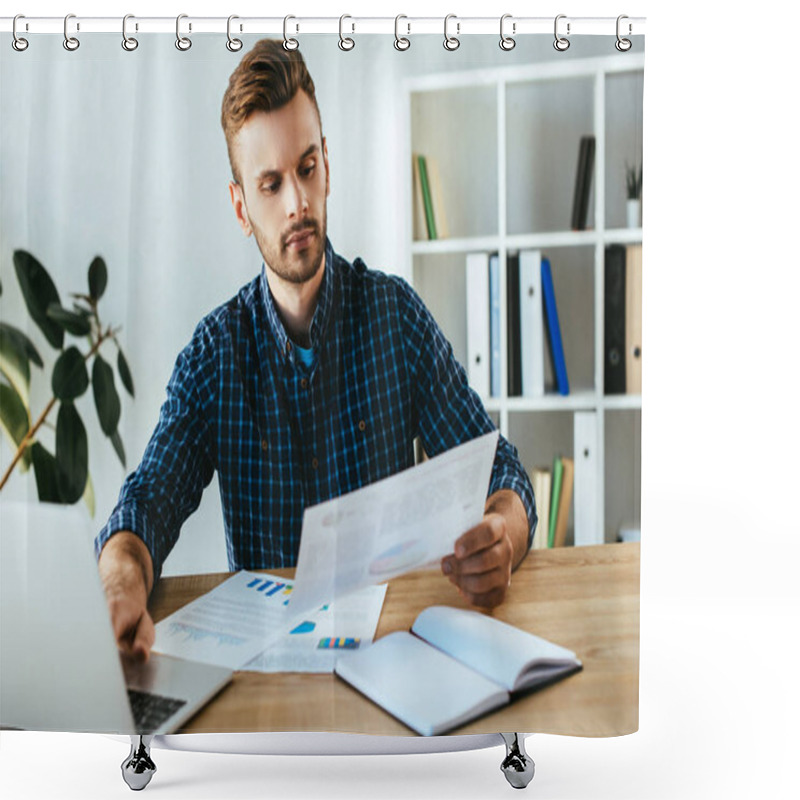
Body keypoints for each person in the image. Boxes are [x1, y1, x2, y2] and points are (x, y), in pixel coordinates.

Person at [95, 39, 537, 662]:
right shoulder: (213, 356)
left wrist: (505, 532)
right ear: (241, 207)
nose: (298, 203)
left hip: (392, 664)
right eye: (271, 184)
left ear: (327, 163)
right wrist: (119, 588)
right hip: (268, 683)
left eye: (306, 168)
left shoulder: (395, 316)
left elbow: (501, 471)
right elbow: (143, 510)